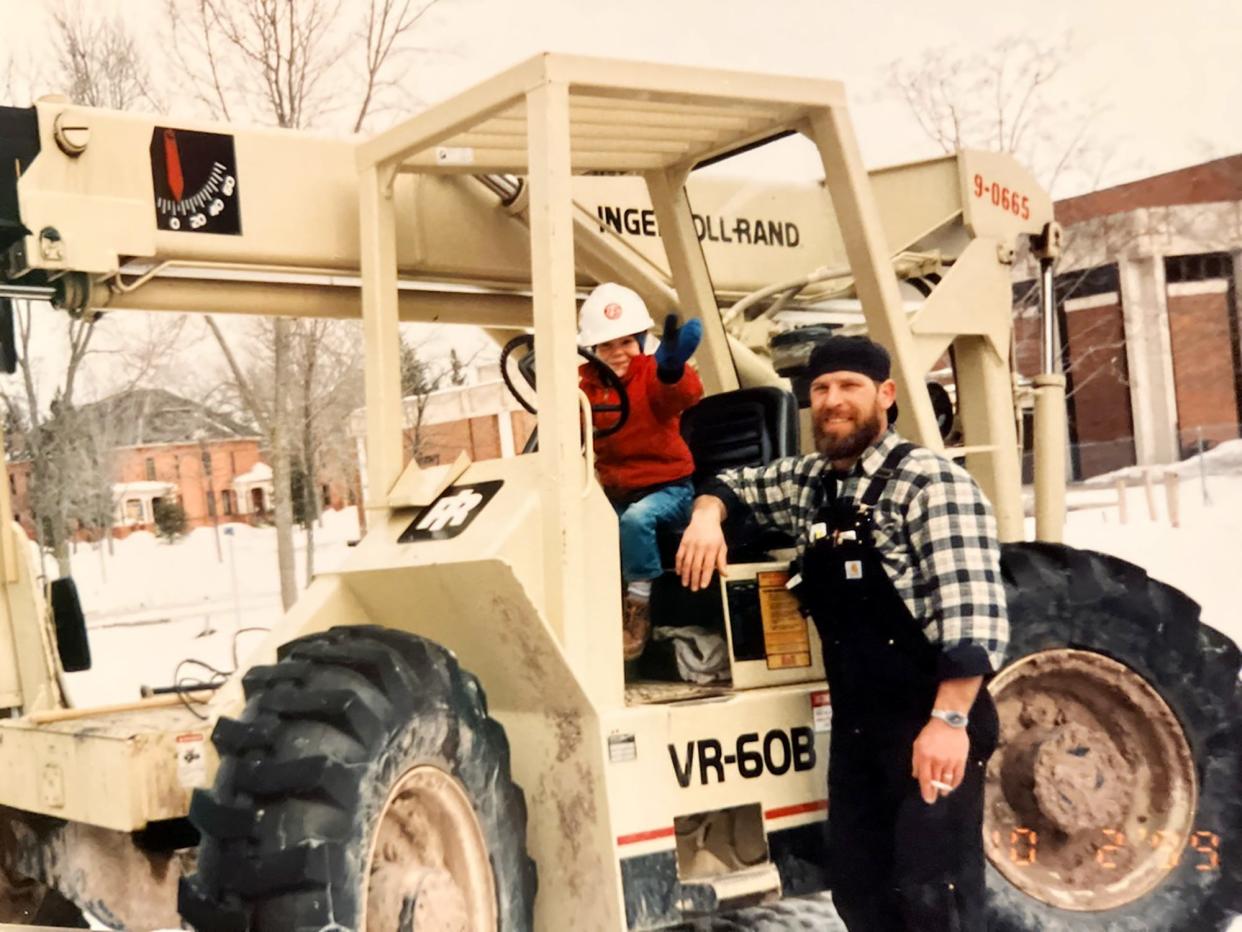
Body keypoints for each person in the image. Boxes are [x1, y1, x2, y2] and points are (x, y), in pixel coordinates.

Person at [675, 334, 1008, 931]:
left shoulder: (929, 483)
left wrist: (949, 723)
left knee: (936, 897)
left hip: (928, 717)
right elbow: (735, 484)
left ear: (886, 395)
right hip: (858, 726)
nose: (832, 400)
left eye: (850, 386)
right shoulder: (810, 483)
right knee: (861, 892)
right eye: (821, 389)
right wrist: (707, 516)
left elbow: (972, 618)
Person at [578, 282, 704, 661]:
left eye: (626, 343)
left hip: (669, 489)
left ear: (641, 342)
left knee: (635, 521)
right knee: (590, 527)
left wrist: (672, 372)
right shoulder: (585, 387)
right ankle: (596, 612)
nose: (617, 353)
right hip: (618, 490)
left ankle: (638, 607)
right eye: (606, 345)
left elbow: (682, 395)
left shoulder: (654, 375)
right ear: (592, 350)